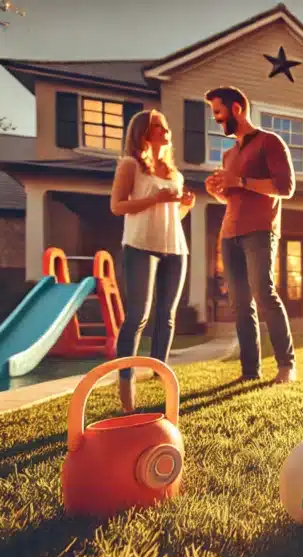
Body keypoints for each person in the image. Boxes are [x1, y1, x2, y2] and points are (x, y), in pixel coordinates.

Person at [203, 86, 297, 385]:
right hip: (229, 233)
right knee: (240, 304)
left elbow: (285, 188)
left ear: (236, 109)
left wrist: (240, 180)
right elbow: (233, 195)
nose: (217, 120)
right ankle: (249, 371)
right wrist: (218, 191)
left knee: (264, 294)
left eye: (218, 112)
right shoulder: (228, 153)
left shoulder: (270, 142)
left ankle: (286, 366)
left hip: (260, 229)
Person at [110, 109, 195, 412]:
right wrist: (154, 199)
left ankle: (162, 379)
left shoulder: (176, 174)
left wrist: (184, 205)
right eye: (157, 125)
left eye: (164, 124)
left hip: (175, 248)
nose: (165, 129)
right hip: (140, 246)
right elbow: (117, 206)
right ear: (143, 133)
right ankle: (125, 386)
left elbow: (173, 216)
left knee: (167, 316)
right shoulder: (130, 165)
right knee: (137, 317)